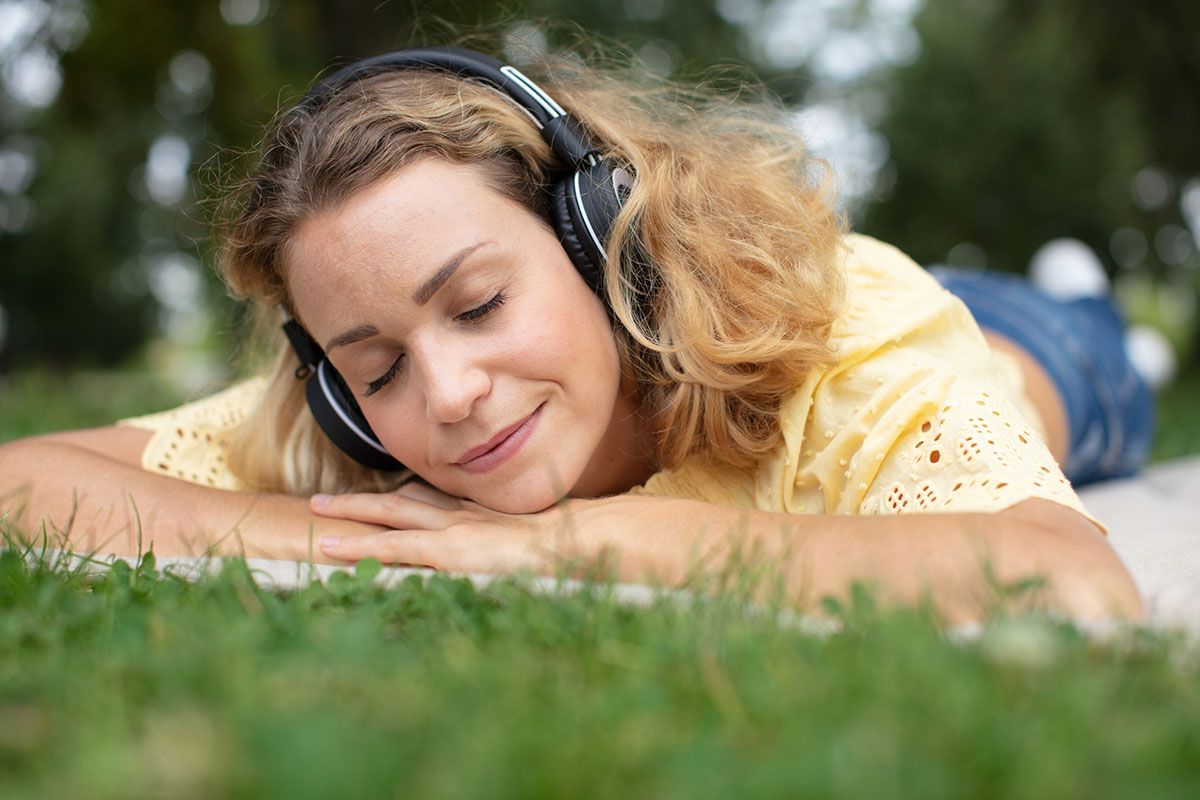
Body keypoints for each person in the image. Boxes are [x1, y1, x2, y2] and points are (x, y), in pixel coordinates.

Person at [0, 44, 1151, 623]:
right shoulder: (360, 425)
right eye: (377, 366)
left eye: (479, 303)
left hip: (1023, 353)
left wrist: (561, 543)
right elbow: (21, 480)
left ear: (606, 243)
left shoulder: (848, 342)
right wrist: (347, 536)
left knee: (1085, 364)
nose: (445, 393)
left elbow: (1066, 572)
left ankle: (1100, 319)